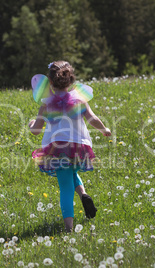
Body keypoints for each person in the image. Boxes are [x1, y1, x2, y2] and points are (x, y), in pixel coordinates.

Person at [28, 60, 111, 232]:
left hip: (57, 148)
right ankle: (83, 194)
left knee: (65, 187)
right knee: (72, 171)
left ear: (50, 82)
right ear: (71, 80)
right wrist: (104, 129)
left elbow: (36, 131)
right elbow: (92, 118)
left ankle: (68, 229)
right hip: (78, 147)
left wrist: (30, 124)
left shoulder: (47, 104)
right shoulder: (80, 100)